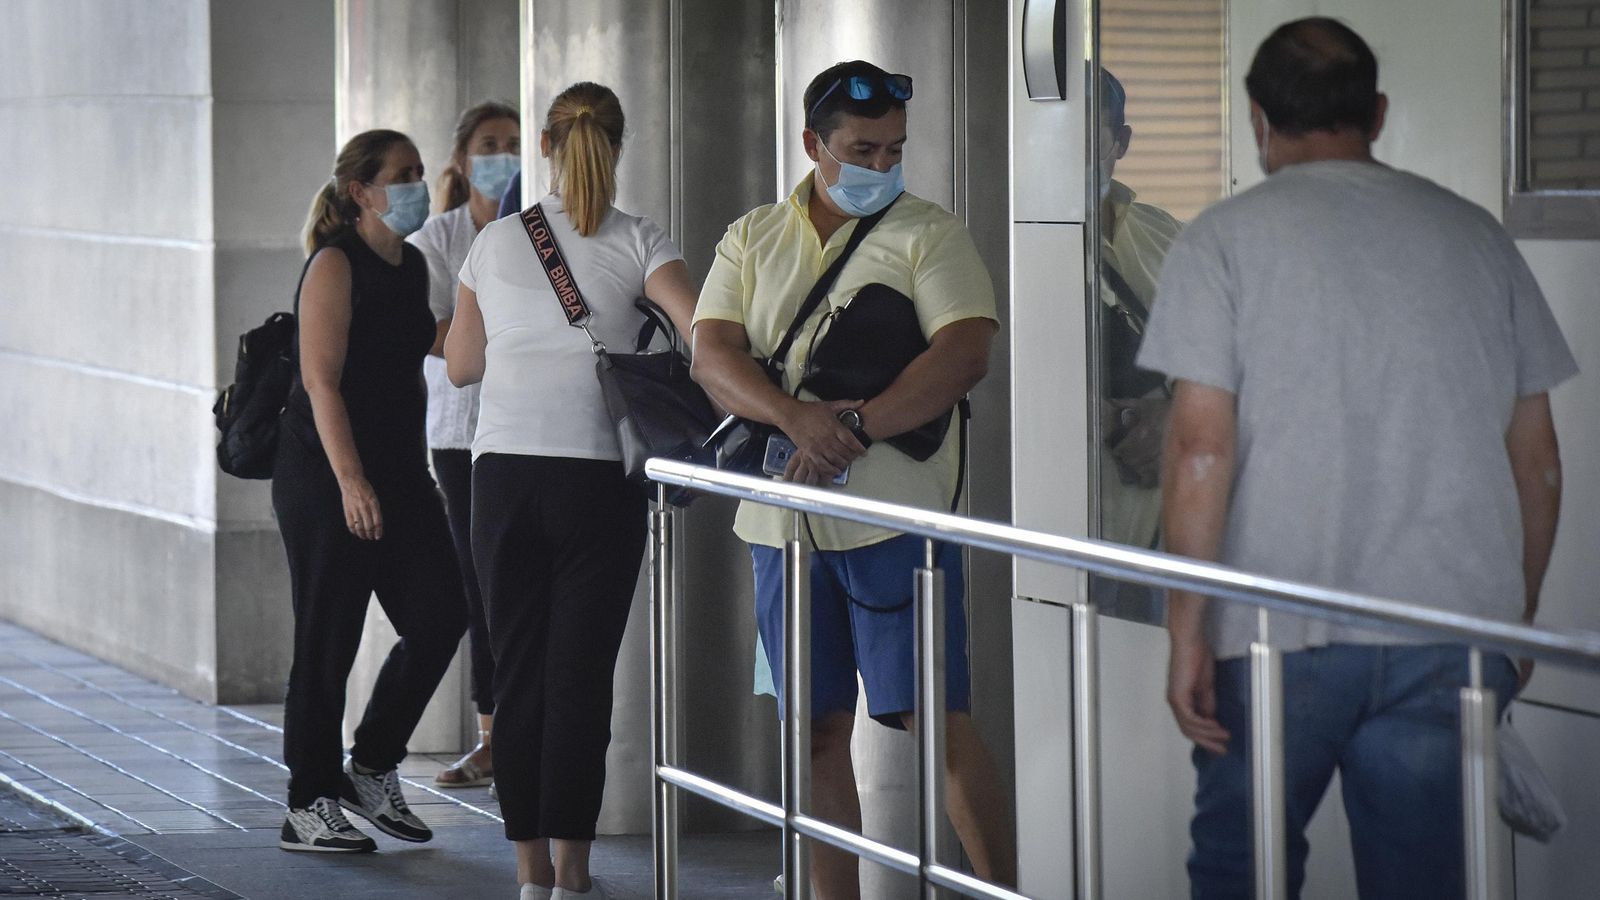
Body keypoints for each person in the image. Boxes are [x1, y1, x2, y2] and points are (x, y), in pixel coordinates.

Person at [1140, 18, 1574, 899]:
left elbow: (1197, 452)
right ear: (1376, 112)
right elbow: (1539, 462)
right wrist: (1514, 618)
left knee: (1243, 873)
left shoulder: (1221, 241)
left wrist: (1188, 630)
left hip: (1270, 636)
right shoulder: (1476, 237)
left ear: (1258, 119)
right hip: (1449, 634)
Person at [691, 60, 1017, 898]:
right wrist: (797, 418)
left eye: (894, 150)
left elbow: (964, 352)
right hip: (780, 525)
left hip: (894, 519)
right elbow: (712, 354)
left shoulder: (930, 234)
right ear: (813, 145)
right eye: (863, 149)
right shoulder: (752, 234)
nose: (882, 166)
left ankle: (1013, 888)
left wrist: (856, 427)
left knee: (935, 721)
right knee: (813, 732)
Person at [444, 82, 698, 900]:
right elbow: (705, 341)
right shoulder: (641, 241)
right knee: (580, 680)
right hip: (598, 481)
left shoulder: (493, 243)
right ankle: (575, 877)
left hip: (505, 477)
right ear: (616, 148)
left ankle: (528, 878)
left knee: (517, 675)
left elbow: (461, 365)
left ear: (543, 148)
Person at [273, 129, 468, 853]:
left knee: (442, 614)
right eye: (402, 174)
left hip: (399, 473)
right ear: (361, 191)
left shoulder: (412, 264)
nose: (417, 184)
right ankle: (307, 801)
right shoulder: (334, 263)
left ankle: (372, 764)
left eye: (420, 172)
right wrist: (350, 481)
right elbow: (320, 380)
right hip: (326, 475)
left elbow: (434, 342)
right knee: (328, 639)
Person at [407, 100, 522, 791]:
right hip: (459, 435)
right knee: (482, 586)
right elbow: (439, 336)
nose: (500, 155)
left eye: (511, 143)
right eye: (488, 144)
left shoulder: (529, 232)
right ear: (461, 157)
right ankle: (491, 736)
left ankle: (521, 727)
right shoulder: (437, 240)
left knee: (519, 583)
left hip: (524, 430)